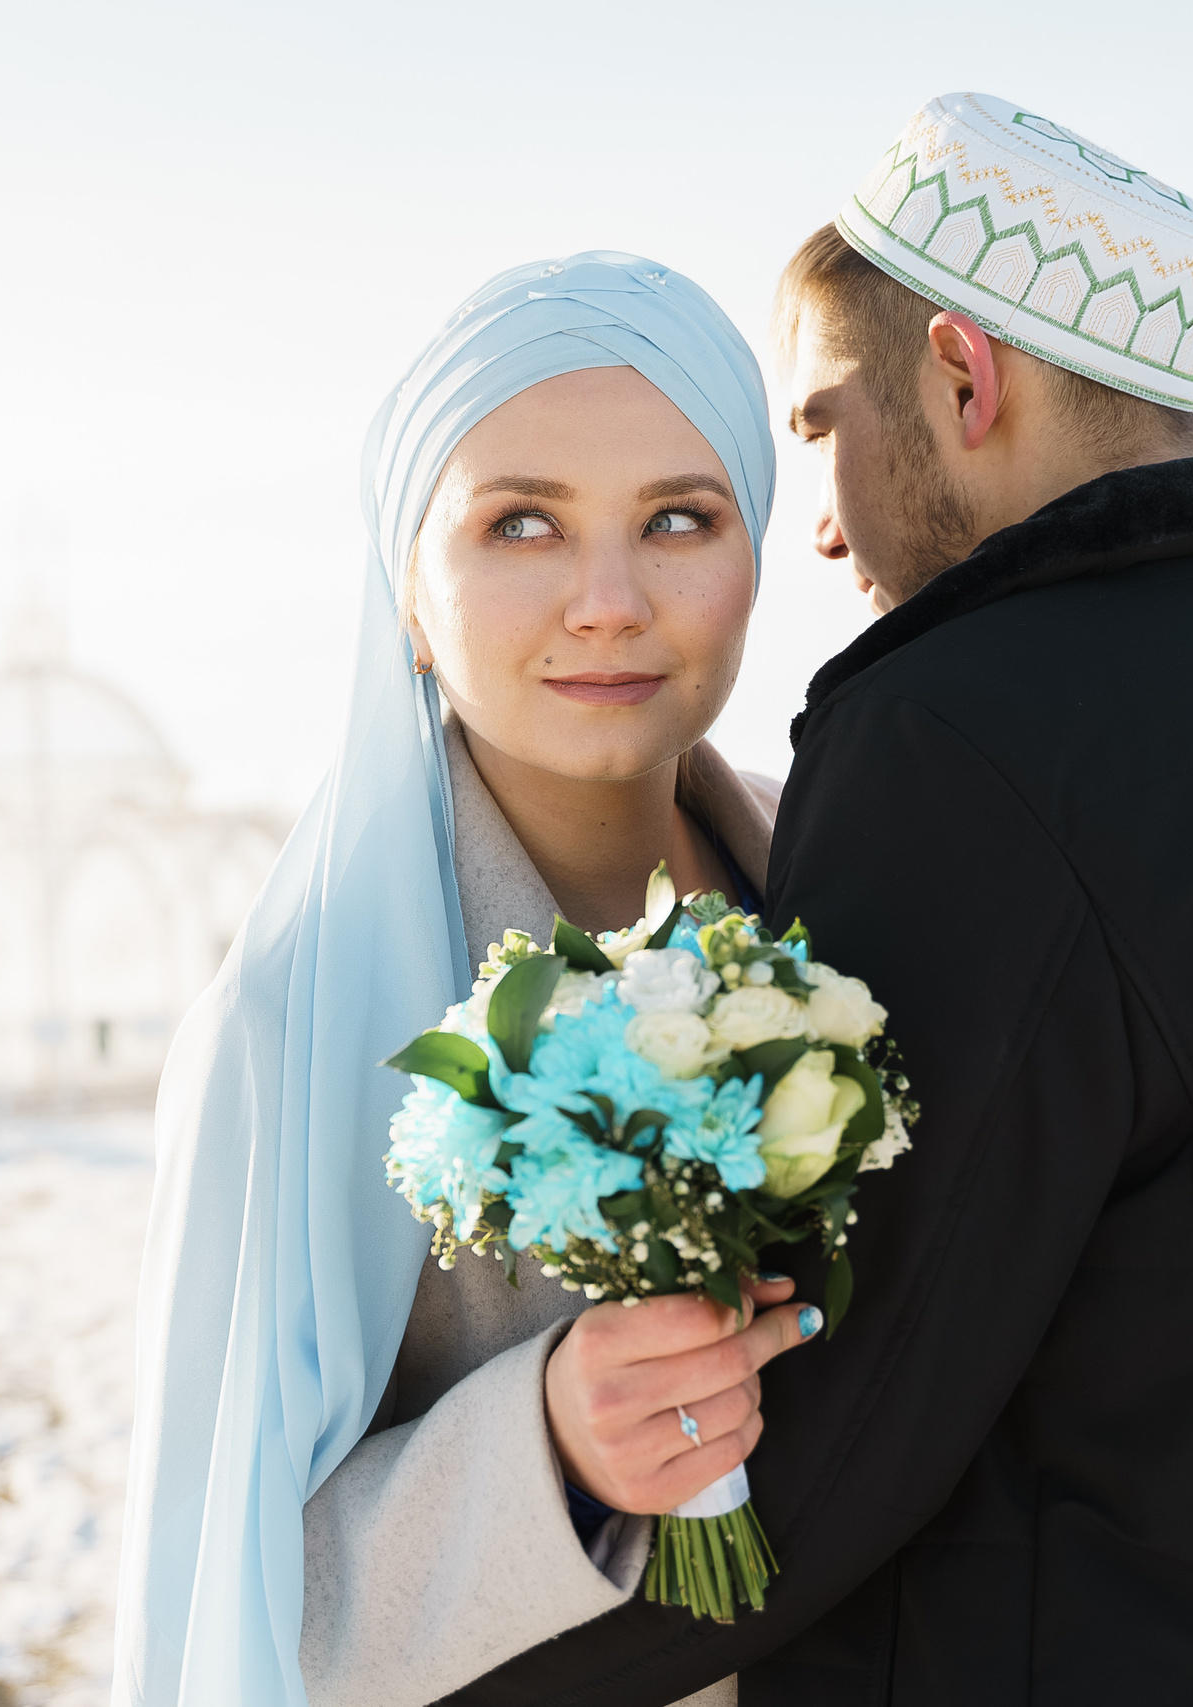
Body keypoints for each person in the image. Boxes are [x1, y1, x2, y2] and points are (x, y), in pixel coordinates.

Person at [439, 93, 1193, 1705]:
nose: (817, 519)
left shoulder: (969, 735)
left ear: (962, 375)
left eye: (822, 422)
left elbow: (836, 1427)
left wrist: (386, 1655)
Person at [114, 253, 818, 1707]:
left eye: (678, 518)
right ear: (410, 596)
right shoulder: (283, 1033)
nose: (610, 601)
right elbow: (225, 1622)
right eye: (520, 526)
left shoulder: (851, 897)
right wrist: (545, 1444)